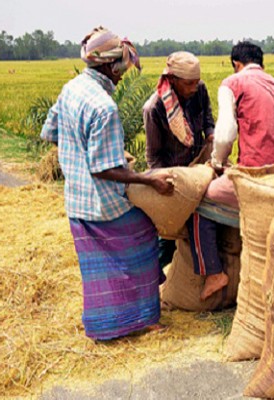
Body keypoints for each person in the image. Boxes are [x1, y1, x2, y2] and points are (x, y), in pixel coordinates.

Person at [41, 27, 173, 341]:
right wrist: (147, 178)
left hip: (77, 199)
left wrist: (82, 148)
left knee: (98, 266)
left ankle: (106, 325)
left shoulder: (72, 88)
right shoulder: (104, 107)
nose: (122, 76)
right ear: (107, 66)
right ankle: (143, 319)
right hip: (103, 203)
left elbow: (50, 131)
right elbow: (103, 170)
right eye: (121, 70)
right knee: (144, 237)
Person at [194, 41, 274, 300]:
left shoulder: (233, 83)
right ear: (262, 64)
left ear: (236, 64)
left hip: (255, 177)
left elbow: (226, 133)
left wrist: (217, 162)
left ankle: (214, 273)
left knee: (199, 201)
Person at [143, 51, 215, 274]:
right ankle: (153, 277)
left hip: (199, 166)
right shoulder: (154, 108)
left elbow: (208, 121)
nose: (194, 88)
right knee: (169, 234)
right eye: (189, 84)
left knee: (203, 221)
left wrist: (212, 137)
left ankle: (196, 270)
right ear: (173, 80)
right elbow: (154, 158)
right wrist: (167, 184)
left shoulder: (199, 90)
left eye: (196, 83)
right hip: (173, 174)